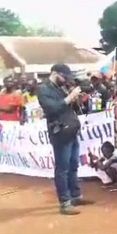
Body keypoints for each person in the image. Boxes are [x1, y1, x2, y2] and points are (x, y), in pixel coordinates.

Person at [38, 64, 94, 215]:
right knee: (62, 168)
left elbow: (71, 108)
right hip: (60, 132)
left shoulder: (60, 87)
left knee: (73, 164)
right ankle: (64, 202)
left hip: (71, 130)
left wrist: (77, 99)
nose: (65, 80)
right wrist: (69, 97)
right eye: (64, 77)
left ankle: (75, 195)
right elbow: (52, 108)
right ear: (55, 73)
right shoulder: (44, 89)